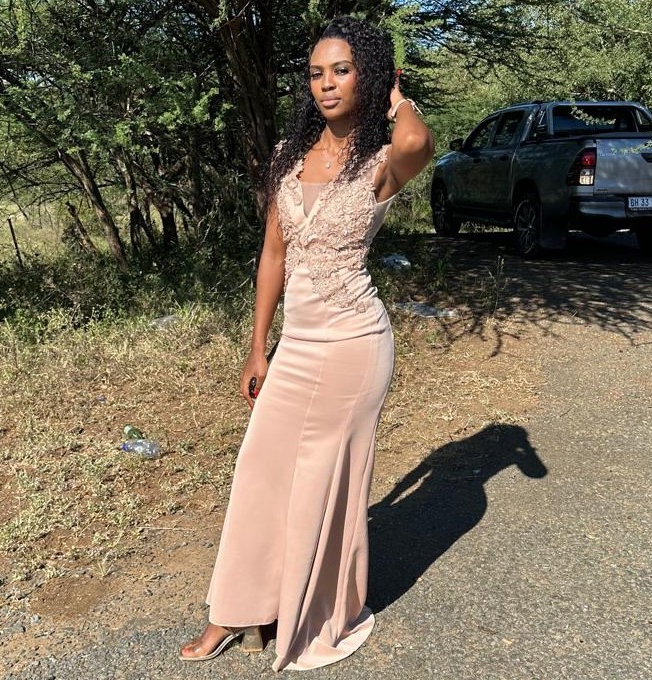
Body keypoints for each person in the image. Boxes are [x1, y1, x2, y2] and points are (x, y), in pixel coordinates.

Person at [179, 15, 434, 672]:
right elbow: (273, 255)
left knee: (325, 484)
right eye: (317, 73)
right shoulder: (288, 157)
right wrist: (257, 346)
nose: (326, 84)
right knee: (259, 471)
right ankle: (235, 611)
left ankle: (310, 610)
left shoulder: (383, 161)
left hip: (354, 347)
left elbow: (418, 138)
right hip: (296, 345)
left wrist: (395, 95)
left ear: (368, 77)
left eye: (342, 70)